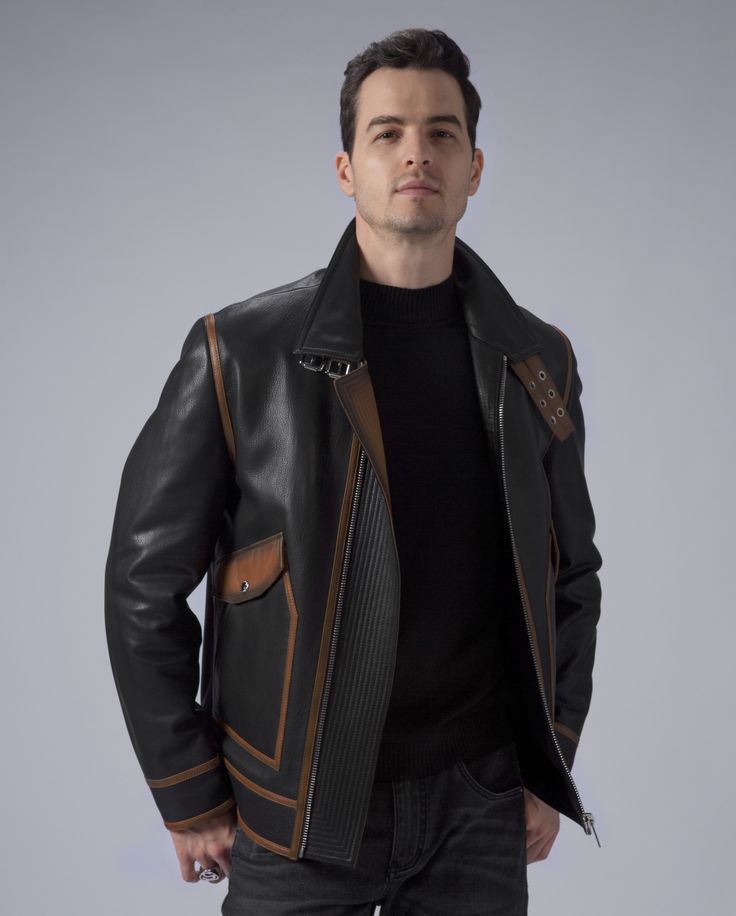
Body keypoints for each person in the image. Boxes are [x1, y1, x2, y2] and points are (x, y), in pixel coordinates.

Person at [104, 26, 603, 915]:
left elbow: (572, 577)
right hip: (298, 807)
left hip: (480, 802)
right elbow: (143, 584)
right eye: (388, 133)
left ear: (475, 168)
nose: (418, 153)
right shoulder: (239, 352)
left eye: (442, 132)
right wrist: (187, 788)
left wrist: (547, 757)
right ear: (347, 169)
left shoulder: (536, 361)